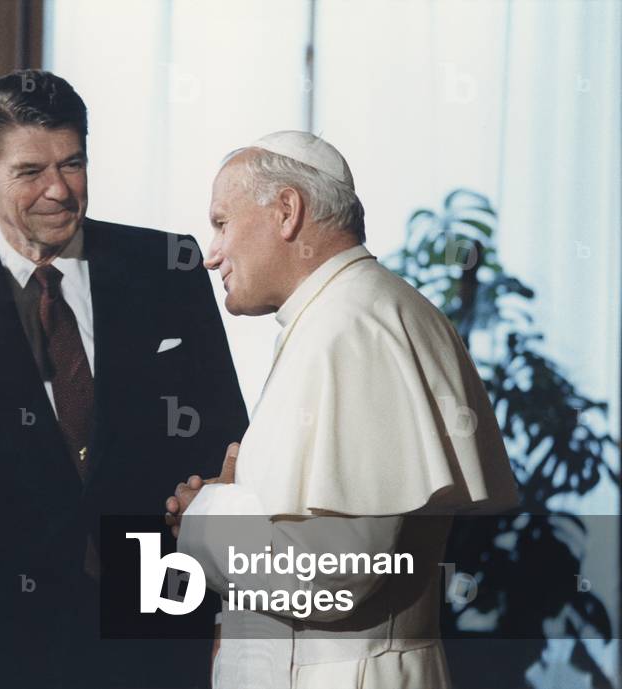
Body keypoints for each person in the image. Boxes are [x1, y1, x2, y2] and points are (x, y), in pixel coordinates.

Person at [0, 70, 249, 688]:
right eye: (30, 172)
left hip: (153, 605)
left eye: (73, 164)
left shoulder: (167, 265)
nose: (59, 191)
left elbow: (225, 433)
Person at [165, 131, 519, 689]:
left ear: (287, 211)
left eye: (221, 223)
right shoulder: (351, 312)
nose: (211, 256)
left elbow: (333, 578)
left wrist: (206, 516)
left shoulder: (350, 326)